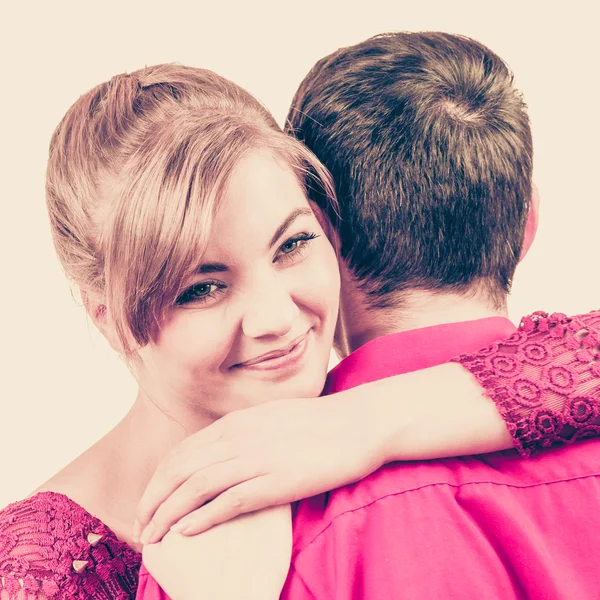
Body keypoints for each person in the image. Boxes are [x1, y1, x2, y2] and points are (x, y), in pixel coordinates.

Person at [0, 61, 597, 600]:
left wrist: (366, 425)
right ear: (108, 319)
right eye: (201, 287)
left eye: (292, 244)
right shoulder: (41, 572)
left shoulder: (359, 445)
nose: (279, 321)